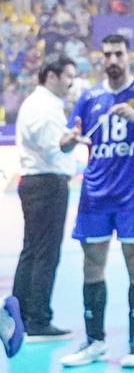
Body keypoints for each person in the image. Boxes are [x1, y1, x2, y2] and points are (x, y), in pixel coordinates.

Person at [59, 34, 134, 368]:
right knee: (92, 265)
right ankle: (95, 342)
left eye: (118, 54)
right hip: (95, 195)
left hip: (133, 196)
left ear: (129, 56)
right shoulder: (89, 97)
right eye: (107, 55)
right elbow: (66, 142)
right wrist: (69, 140)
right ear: (100, 58)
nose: (113, 60)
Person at [12, 56, 81, 340]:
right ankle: (38, 319)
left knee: (32, 250)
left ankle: (19, 315)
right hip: (47, 183)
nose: (71, 83)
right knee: (45, 253)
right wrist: (72, 142)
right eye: (68, 76)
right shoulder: (44, 107)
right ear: (51, 76)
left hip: (37, 182)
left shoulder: (39, 103)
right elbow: (55, 149)